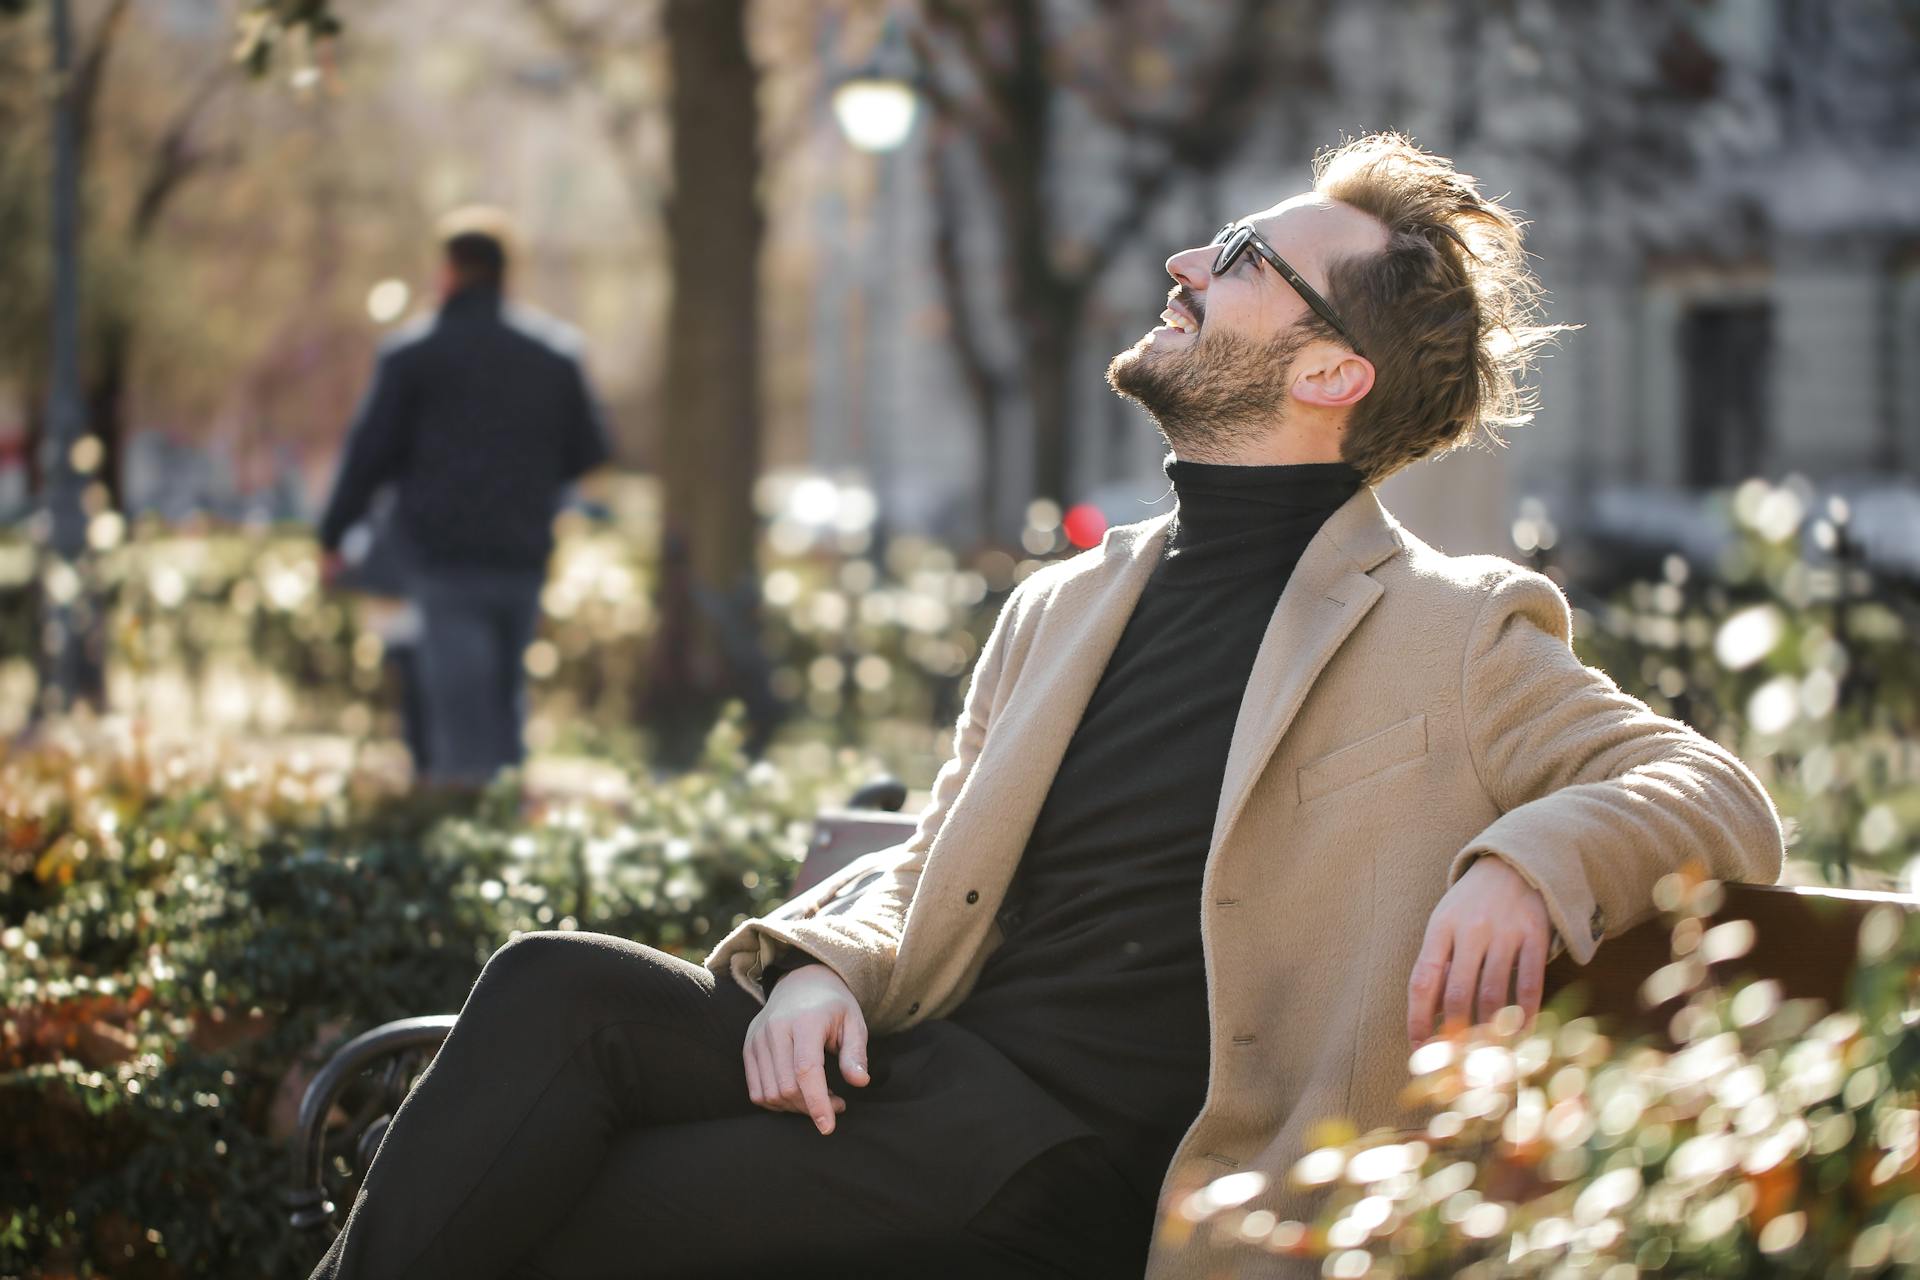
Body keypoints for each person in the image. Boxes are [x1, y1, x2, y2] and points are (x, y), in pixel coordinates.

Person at [308, 134, 1784, 1280]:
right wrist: (824, 962)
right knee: (553, 988)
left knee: (553, 1219)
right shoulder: (1072, 600)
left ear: (1331, 368)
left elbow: (1716, 796)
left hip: (1071, 1167)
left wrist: (1529, 860)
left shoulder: (1450, 631)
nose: (1186, 261)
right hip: (928, 1077)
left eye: (1245, 255)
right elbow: (931, 850)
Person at [317, 207, 611, 786]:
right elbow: (588, 452)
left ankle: (468, 843)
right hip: (523, 554)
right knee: (503, 705)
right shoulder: (554, 357)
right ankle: (501, 833)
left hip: (441, 556)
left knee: (458, 718)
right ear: (507, 273)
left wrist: (332, 536)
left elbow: (368, 455)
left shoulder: (413, 355)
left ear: (448, 271)